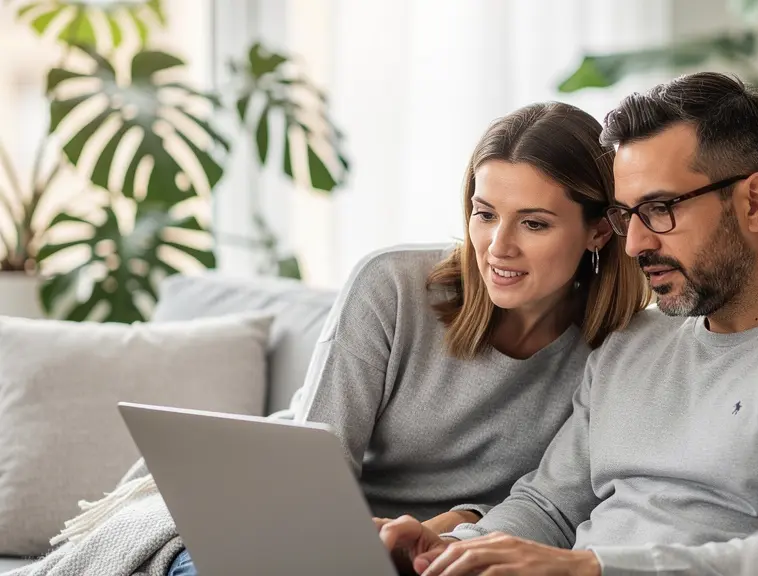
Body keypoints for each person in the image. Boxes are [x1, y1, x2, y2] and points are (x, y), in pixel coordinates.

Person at [377, 72, 758, 576]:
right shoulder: (632, 345)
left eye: (659, 210)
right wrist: (453, 547)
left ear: (754, 202)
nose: (634, 244)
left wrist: (590, 568)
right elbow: (548, 506)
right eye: (627, 215)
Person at [164, 102, 651, 575]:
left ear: (600, 231)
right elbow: (311, 471)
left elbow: (552, 502)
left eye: (533, 223)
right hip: (306, 534)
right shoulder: (392, 285)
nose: (499, 247)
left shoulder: (621, 350)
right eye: (484, 214)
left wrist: (452, 528)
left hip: (453, 556)